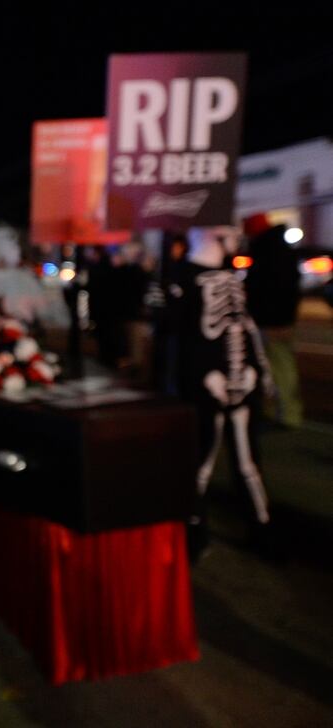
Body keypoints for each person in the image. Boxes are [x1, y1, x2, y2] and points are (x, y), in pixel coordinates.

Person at [167, 226, 275, 561]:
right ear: (210, 231)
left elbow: (246, 326)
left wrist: (260, 369)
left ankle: (262, 529)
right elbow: (176, 339)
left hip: (242, 384)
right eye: (229, 225)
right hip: (204, 389)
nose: (236, 232)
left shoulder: (231, 276)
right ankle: (194, 533)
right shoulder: (182, 276)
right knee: (201, 462)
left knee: (248, 463)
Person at [242, 213, 304, 428]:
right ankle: (284, 412)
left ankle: (285, 414)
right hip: (283, 319)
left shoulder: (265, 253)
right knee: (282, 365)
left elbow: (261, 289)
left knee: (277, 366)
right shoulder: (282, 251)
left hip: (270, 321)